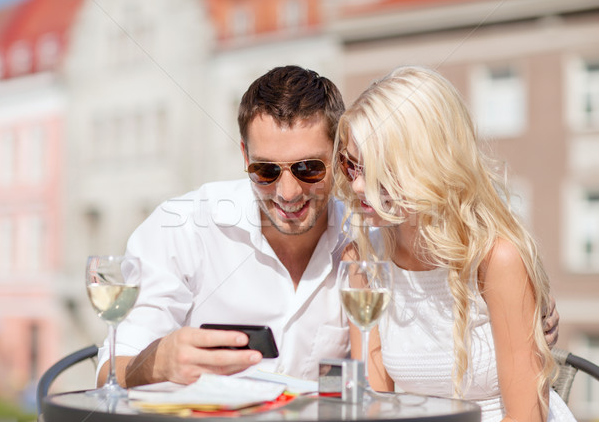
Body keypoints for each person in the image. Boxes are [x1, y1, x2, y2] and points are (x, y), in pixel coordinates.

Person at [97, 65, 560, 388]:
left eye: (308, 169)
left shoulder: (368, 236)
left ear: (339, 159)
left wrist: (522, 314)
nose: (287, 192)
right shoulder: (185, 229)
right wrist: (156, 362)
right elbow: (108, 375)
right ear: (244, 158)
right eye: (265, 171)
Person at [333, 66, 574, 421]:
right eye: (351, 165)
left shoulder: (496, 259)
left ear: (427, 165)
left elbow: (526, 415)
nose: (356, 186)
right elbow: (373, 404)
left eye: (376, 169)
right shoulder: (365, 258)